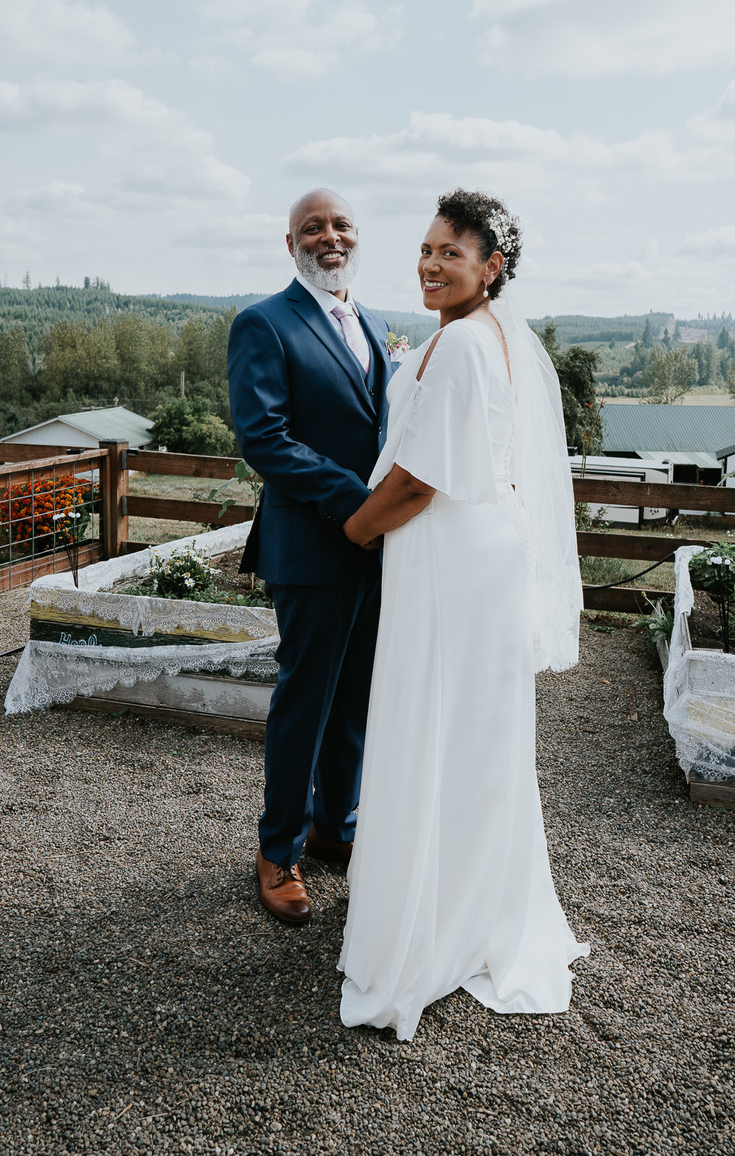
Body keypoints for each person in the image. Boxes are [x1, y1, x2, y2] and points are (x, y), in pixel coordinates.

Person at [337, 188, 589, 1040]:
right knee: (473, 740)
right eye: (426, 249)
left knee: (429, 728)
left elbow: (417, 480)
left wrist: (356, 529)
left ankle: (424, 935)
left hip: (448, 554)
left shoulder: (462, 348)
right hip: (485, 555)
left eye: (452, 252)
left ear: (493, 267)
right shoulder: (487, 341)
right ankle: (468, 908)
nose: (432, 264)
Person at [226, 189, 393, 926]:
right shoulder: (264, 323)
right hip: (314, 544)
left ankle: (335, 827)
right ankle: (277, 851)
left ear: (359, 237)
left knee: (357, 699)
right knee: (306, 703)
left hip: (383, 546)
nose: (331, 237)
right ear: (288, 242)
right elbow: (263, 437)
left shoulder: (378, 324)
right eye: (313, 228)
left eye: (342, 225)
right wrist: (357, 500)